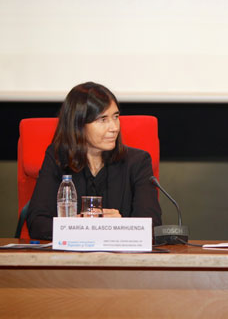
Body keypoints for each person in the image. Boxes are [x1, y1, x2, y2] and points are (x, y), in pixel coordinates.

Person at [27, 82, 162, 240]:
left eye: (116, 117)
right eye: (103, 119)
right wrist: (86, 225)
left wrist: (118, 225)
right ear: (78, 124)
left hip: (123, 261)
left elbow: (152, 227)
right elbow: (37, 224)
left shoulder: (137, 162)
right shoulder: (58, 158)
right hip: (69, 261)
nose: (114, 127)